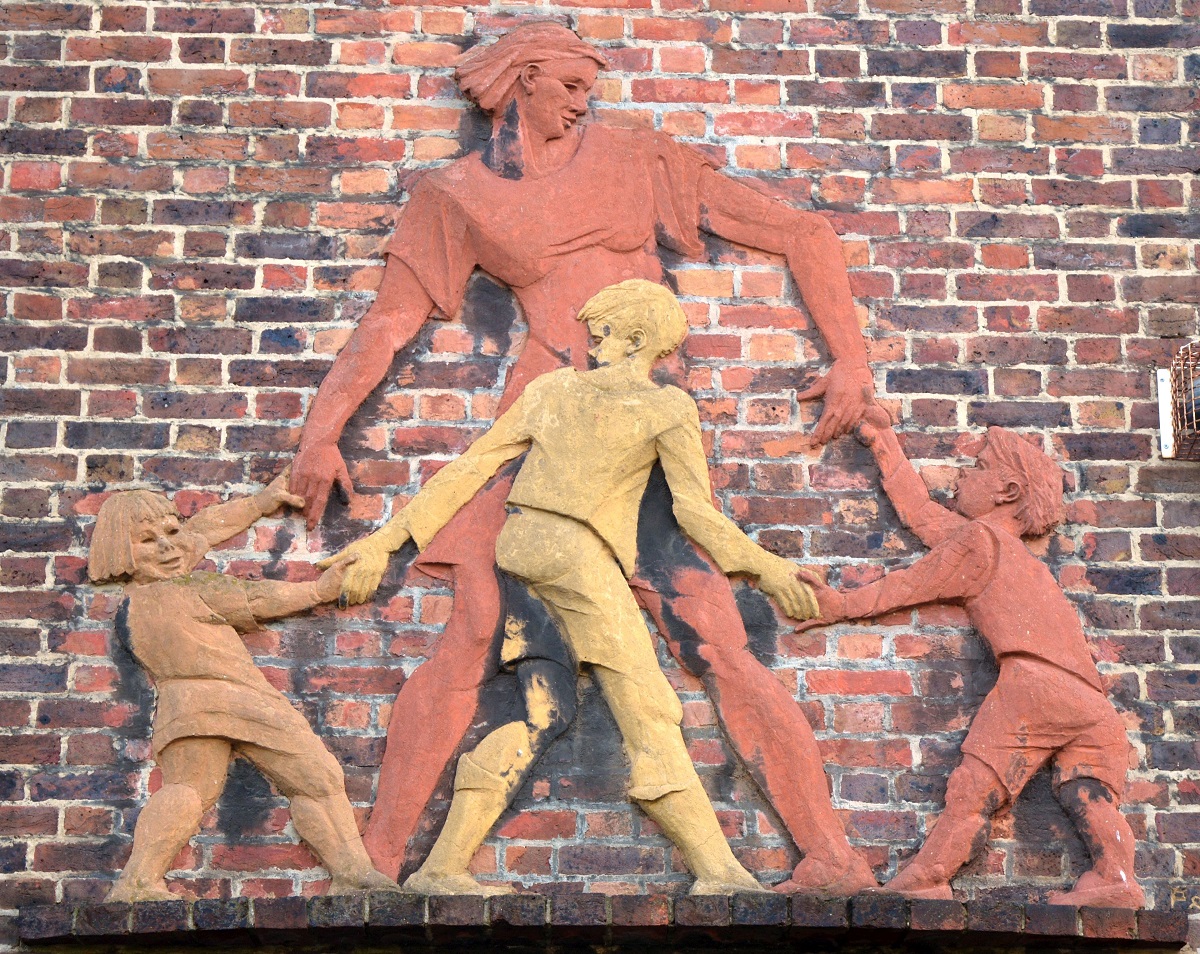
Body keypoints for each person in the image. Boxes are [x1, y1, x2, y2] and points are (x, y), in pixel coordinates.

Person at [291, 20, 876, 892]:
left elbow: (802, 232)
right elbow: (388, 322)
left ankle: (831, 857)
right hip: (546, 422)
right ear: (521, 80)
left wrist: (851, 358)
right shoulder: (456, 194)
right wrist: (320, 432)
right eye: (569, 86)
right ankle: (373, 863)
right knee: (474, 632)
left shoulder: (637, 159)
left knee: (713, 634)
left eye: (589, 89)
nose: (583, 102)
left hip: (639, 429)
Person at [327, 280, 816, 895]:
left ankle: (442, 868)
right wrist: (384, 541)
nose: (592, 343)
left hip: (524, 548)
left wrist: (388, 539)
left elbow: (476, 466)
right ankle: (717, 870)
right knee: (649, 705)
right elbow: (692, 511)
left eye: (603, 333)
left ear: (637, 339)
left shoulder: (591, 396)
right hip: (572, 555)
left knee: (544, 711)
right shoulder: (625, 402)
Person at [797, 413, 1143, 909]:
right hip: (1092, 703)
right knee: (1087, 791)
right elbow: (922, 514)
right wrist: (882, 442)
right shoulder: (1008, 553)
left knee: (973, 787)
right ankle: (1117, 878)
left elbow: (911, 584)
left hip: (1036, 685)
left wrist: (841, 604)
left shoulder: (980, 544)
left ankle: (929, 877)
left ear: (1006, 491)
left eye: (978, 467)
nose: (964, 474)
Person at [88, 471, 400, 902]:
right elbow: (255, 599)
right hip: (236, 696)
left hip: (182, 706)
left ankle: (137, 881)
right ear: (121, 550)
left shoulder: (136, 604)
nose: (168, 546)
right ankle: (352, 873)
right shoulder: (189, 588)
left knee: (187, 789)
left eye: (172, 532)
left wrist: (259, 503)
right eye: (147, 541)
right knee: (317, 777)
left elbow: (202, 529)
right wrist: (319, 590)